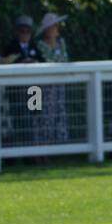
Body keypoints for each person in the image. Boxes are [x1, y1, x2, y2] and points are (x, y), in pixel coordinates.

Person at [36, 12, 69, 144]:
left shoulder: (62, 43)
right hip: (40, 88)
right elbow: (48, 60)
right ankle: (41, 148)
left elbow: (65, 60)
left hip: (59, 85)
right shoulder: (40, 45)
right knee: (41, 115)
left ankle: (58, 147)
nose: (53, 29)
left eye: (54, 26)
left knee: (59, 115)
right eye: (50, 27)